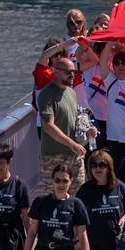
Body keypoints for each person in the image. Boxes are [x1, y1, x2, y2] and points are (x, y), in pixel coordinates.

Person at [23, 161, 92, 250]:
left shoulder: (76, 204)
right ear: (52, 181)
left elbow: (82, 235)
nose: (61, 184)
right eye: (58, 180)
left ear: (71, 182)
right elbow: (31, 233)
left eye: (65, 181)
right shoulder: (41, 202)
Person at [38, 52, 87, 189]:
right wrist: (72, 144)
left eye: (74, 71)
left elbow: (75, 118)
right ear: (56, 72)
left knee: (79, 193)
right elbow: (48, 126)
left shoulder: (71, 93)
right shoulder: (46, 94)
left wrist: (88, 129)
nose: (72, 75)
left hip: (74, 154)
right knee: (55, 197)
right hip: (53, 157)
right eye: (68, 72)